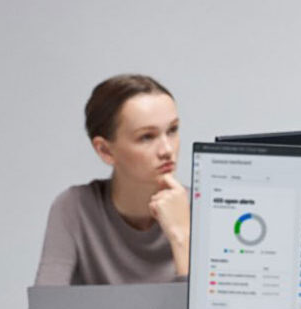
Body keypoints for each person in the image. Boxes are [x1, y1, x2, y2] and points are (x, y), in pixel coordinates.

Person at [34, 74, 189, 286]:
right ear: (105, 150)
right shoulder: (74, 207)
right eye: (147, 137)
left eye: (172, 130)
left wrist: (182, 237)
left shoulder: (204, 208)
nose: (167, 150)